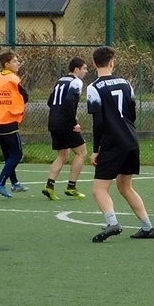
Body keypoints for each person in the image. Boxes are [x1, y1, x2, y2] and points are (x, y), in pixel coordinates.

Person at [86, 46, 154, 242]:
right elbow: (132, 113)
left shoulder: (94, 88)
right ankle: (147, 227)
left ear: (94, 64)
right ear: (112, 63)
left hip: (112, 142)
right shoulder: (126, 84)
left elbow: (98, 122)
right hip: (131, 140)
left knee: (99, 189)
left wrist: (96, 150)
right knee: (125, 186)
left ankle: (112, 223)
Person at [0, 50, 29, 198]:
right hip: (8, 121)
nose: (18, 63)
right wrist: (8, 107)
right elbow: (25, 96)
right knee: (17, 154)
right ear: (6, 64)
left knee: (8, 154)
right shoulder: (13, 79)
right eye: (15, 61)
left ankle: (15, 183)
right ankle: (0, 183)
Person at [43, 57, 88, 201]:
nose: (86, 72)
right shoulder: (76, 82)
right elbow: (69, 102)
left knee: (63, 155)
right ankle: (71, 187)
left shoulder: (60, 81)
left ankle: (49, 186)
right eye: (84, 68)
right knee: (82, 153)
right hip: (65, 123)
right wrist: (74, 122)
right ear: (76, 69)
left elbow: (50, 101)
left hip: (53, 122)